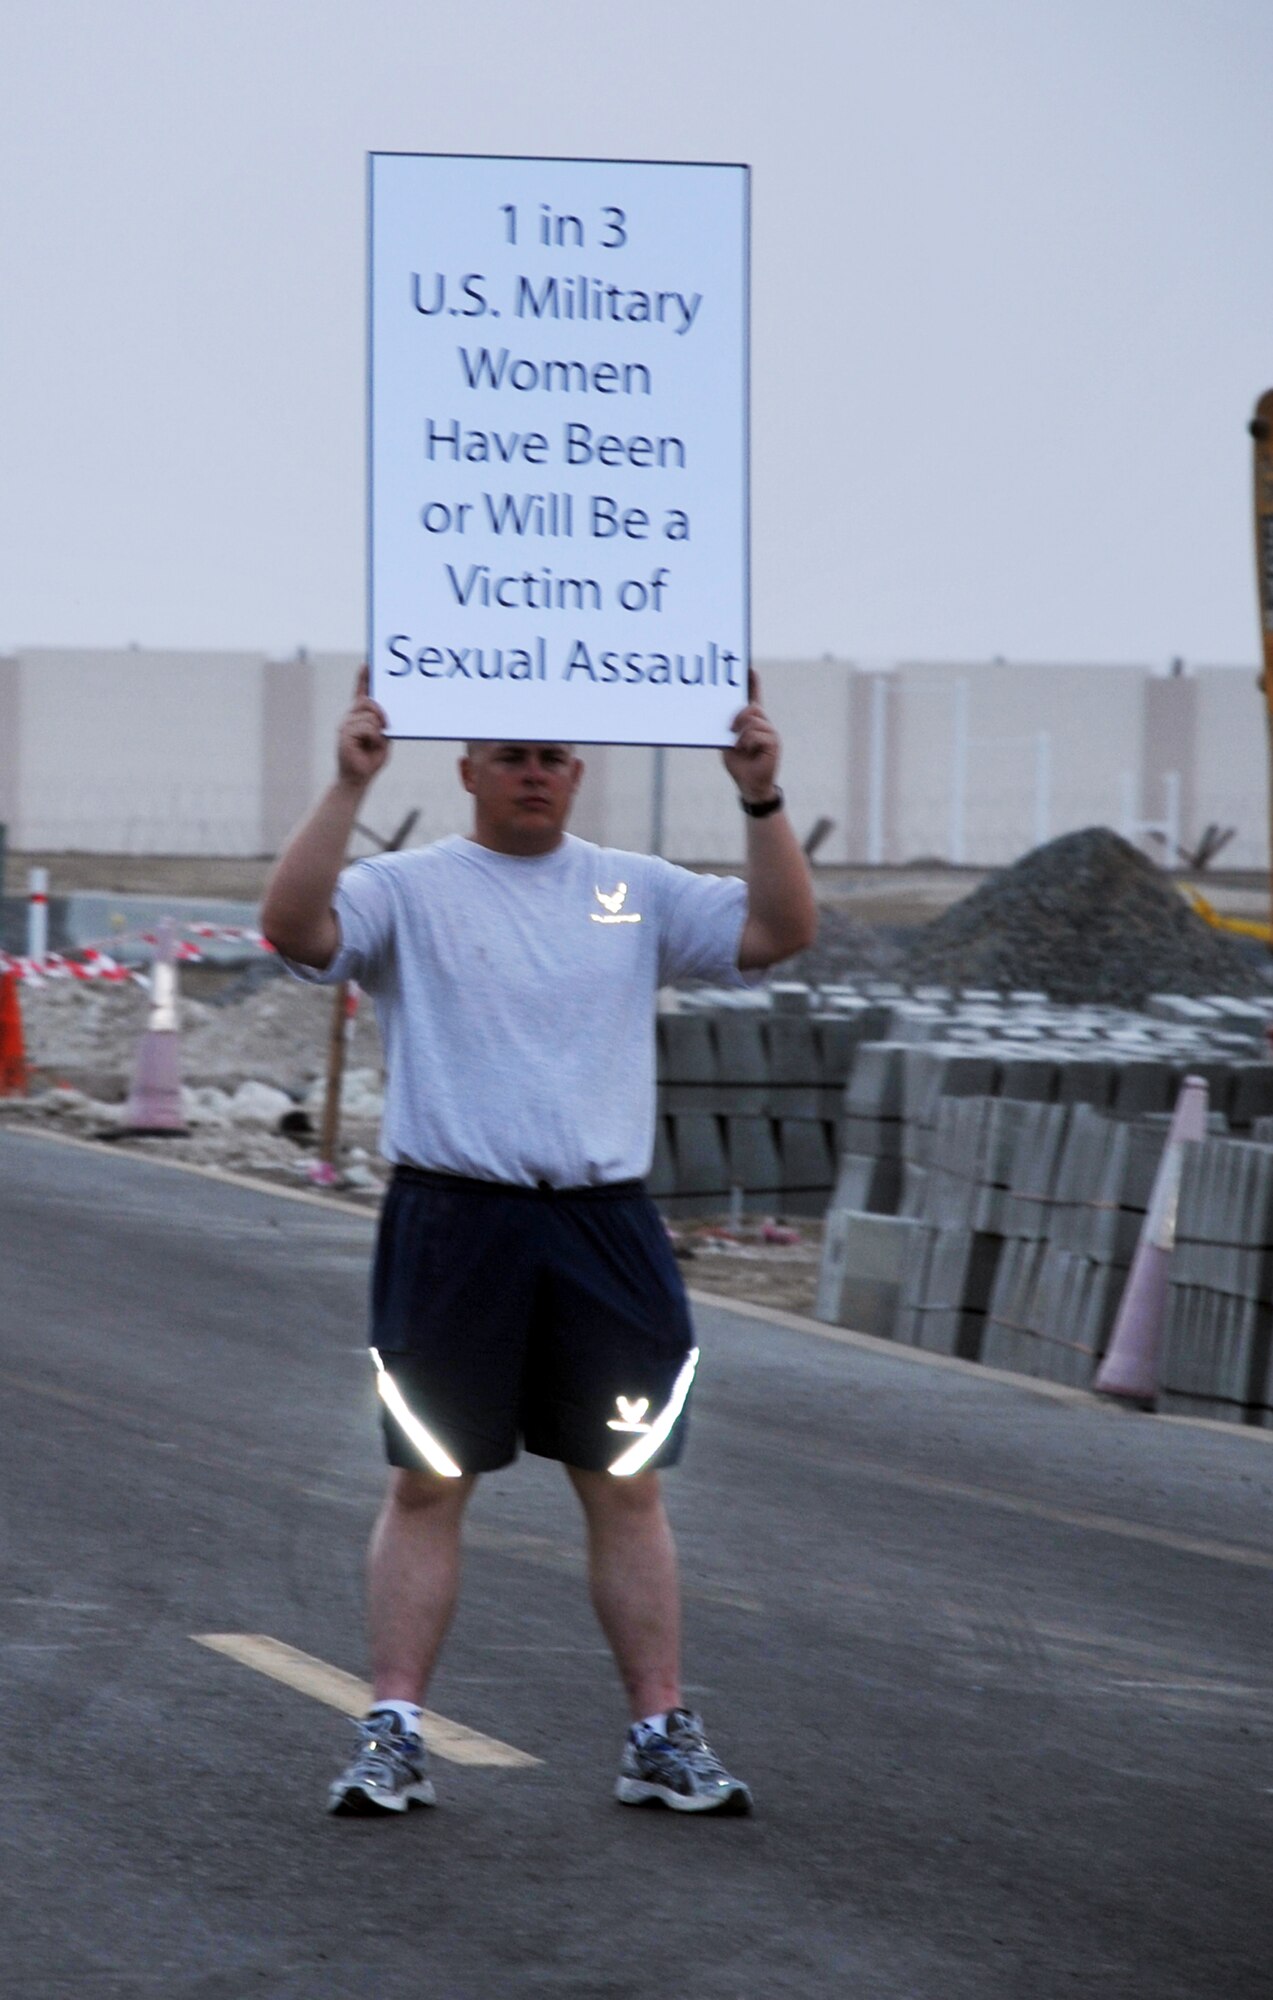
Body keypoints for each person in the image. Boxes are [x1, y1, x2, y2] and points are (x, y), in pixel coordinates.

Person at [260, 668, 816, 1817]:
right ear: (464, 768)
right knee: (428, 1481)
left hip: (602, 1224)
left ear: (580, 769)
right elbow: (292, 928)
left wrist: (761, 796)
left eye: (552, 755)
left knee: (625, 1485)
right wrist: (346, 781)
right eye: (509, 753)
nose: (532, 771)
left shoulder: (632, 888)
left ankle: (657, 1731)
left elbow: (778, 931)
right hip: (453, 1219)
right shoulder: (406, 887)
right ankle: (394, 1728)